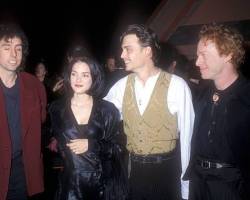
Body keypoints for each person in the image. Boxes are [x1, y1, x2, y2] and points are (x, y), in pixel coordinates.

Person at [105, 24, 194, 200]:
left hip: (167, 173)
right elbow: (99, 119)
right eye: (122, 50)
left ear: (147, 51)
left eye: (128, 49)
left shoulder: (177, 85)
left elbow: (187, 140)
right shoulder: (121, 86)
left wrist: (186, 187)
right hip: (134, 172)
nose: (122, 55)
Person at [184, 23, 250, 200]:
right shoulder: (201, 95)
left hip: (231, 186)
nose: (197, 62)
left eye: (203, 55)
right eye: (197, 55)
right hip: (198, 182)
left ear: (228, 54)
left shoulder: (246, 97)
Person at [49, 56, 128, 200]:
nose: (78, 79)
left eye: (85, 75)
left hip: (102, 186)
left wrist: (92, 145)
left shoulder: (108, 110)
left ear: (94, 78)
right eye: (74, 74)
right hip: (70, 186)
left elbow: (119, 147)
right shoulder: (56, 109)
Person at [0, 23, 47, 200]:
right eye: (7, 47)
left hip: (22, 171)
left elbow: (42, 119)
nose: (14, 54)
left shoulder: (34, 85)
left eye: (18, 49)